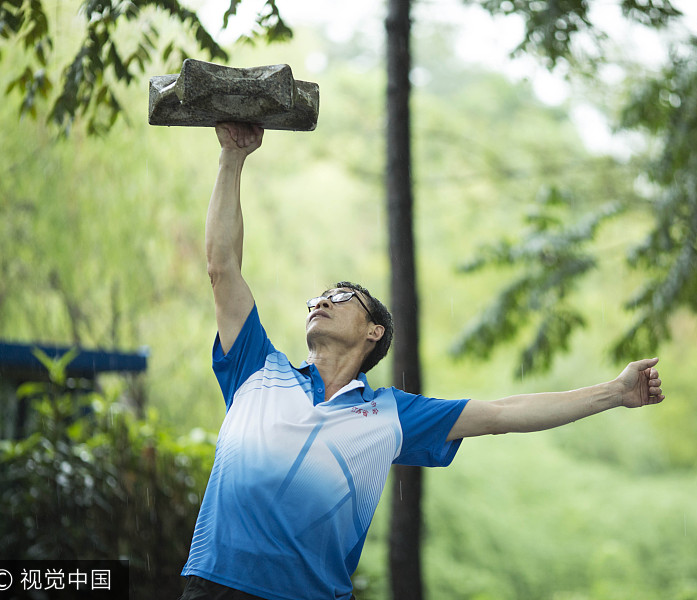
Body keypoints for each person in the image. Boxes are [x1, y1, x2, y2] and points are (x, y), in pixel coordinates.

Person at [178, 122, 665, 600]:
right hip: (213, 584)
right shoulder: (257, 369)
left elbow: (502, 415)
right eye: (316, 300)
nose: (320, 303)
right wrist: (232, 157)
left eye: (341, 296)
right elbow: (222, 267)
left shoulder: (392, 414)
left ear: (375, 332)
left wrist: (614, 393)